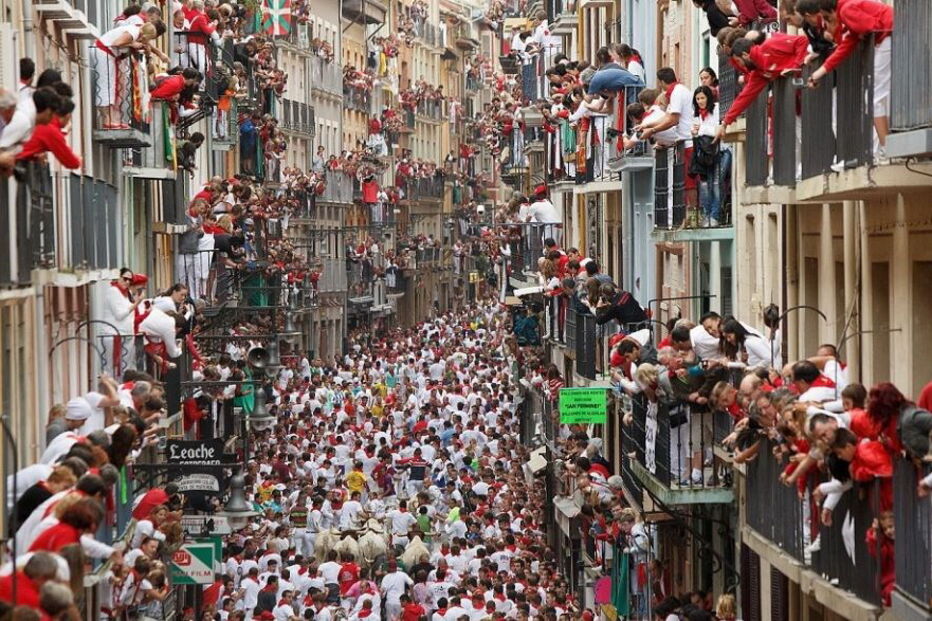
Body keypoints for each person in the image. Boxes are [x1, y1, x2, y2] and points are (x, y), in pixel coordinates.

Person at [799, 0, 893, 155]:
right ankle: (886, 147)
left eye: (827, 20)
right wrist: (819, 72)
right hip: (887, 37)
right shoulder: (846, 10)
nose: (826, 27)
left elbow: (870, 28)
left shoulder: (846, 11)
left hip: (886, 38)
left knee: (875, 98)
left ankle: (888, 149)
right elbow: (846, 45)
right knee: (878, 97)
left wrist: (851, 33)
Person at [716, 33, 809, 135]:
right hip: (802, 94)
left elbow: (802, 41)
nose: (740, 66)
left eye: (738, 61)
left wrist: (795, 67)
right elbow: (744, 97)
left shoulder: (770, 45)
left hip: (812, 81)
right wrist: (725, 123)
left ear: (745, 55)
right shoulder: (758, 73)